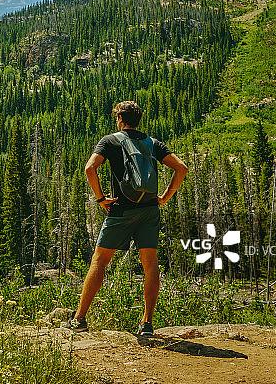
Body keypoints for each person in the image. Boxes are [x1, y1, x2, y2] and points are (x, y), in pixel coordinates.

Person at [63, 101, 187, 335]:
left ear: (120, 118)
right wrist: (164, 197)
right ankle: (147, 324)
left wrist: (101, 199)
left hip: (120, 209)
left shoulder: (110, 141)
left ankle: (79, 319)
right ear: (138, 119)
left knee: (99, 262)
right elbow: (181, 168)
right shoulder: (153, 143)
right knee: (150, 265)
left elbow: (90, 169)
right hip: (149, 210)